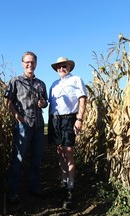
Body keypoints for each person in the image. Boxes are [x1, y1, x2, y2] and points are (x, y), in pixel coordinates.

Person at [4, 51, 48, 204]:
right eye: (27, 62)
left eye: (32, 62)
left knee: (36, 158)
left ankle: (34, 188)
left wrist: (43, 104)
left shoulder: (41, 84)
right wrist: (16, 115)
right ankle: (14, 191)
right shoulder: (15, 81)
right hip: (23, 125)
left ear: (36, 64)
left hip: (39, 125)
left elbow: (45, 102)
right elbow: (8, 101)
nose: (30, 65)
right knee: (18, 159)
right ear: (22, 64)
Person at [48, 57, 87, 209]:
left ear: (69, 67)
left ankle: (71, 187)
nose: (61, 69)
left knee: (68, 151)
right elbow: (50, 104)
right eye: (59, 67)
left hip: (69, 118)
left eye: (64, 66)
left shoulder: (77, 80)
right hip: (54, 119)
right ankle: (63, 182)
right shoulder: (54, 84)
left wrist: (79, 119)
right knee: (59, 151)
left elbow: (82, 101)